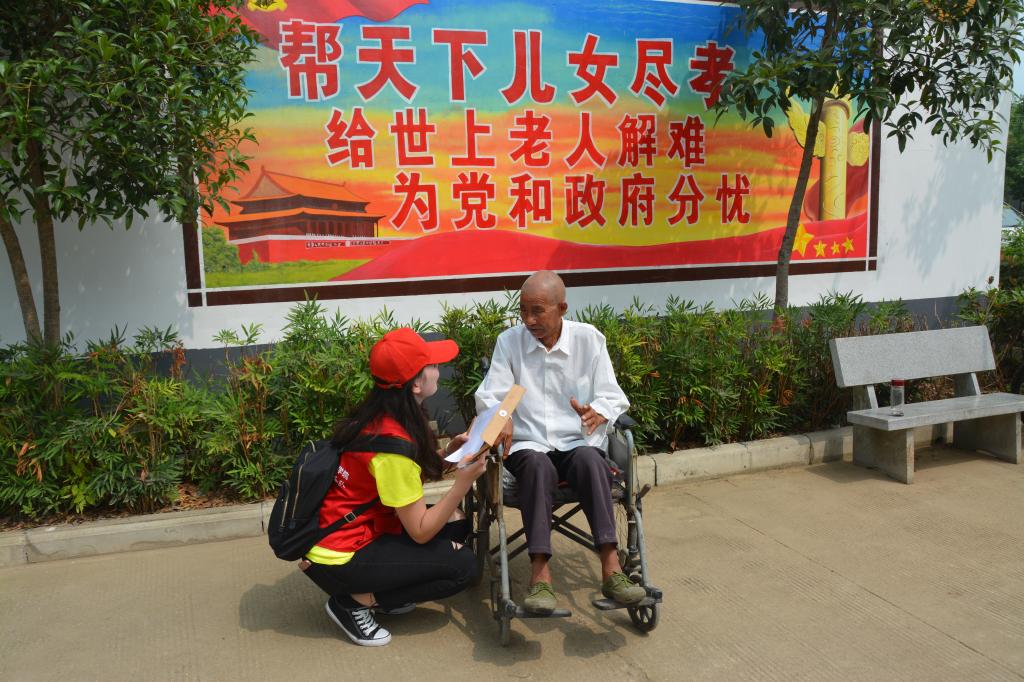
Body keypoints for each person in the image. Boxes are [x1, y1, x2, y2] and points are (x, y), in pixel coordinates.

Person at [301, 327, 488, 647]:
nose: (438, 370)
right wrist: (462, 483)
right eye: (432, 365)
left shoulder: (381, 415)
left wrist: (448, 454)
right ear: (415, 385)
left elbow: (400, 477)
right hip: (339, 556)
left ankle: (382, 588)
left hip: (346, 531)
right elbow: (420, 532)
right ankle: (354, 603)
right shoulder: (393, 446)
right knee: (463, 566)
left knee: (456, 523)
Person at [474, 270, 646, 614]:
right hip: (529, 444)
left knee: (591, 461)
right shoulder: (510, 342)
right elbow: (492, 395)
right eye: (523, 311)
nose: (529, 320)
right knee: (537, 466)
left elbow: (612, 395)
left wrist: (599, 411)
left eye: (537, 311)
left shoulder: (589, 340)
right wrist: (502, 416)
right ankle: (540, 575)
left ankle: (612, 568)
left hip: (576, 441)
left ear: (562, 308)